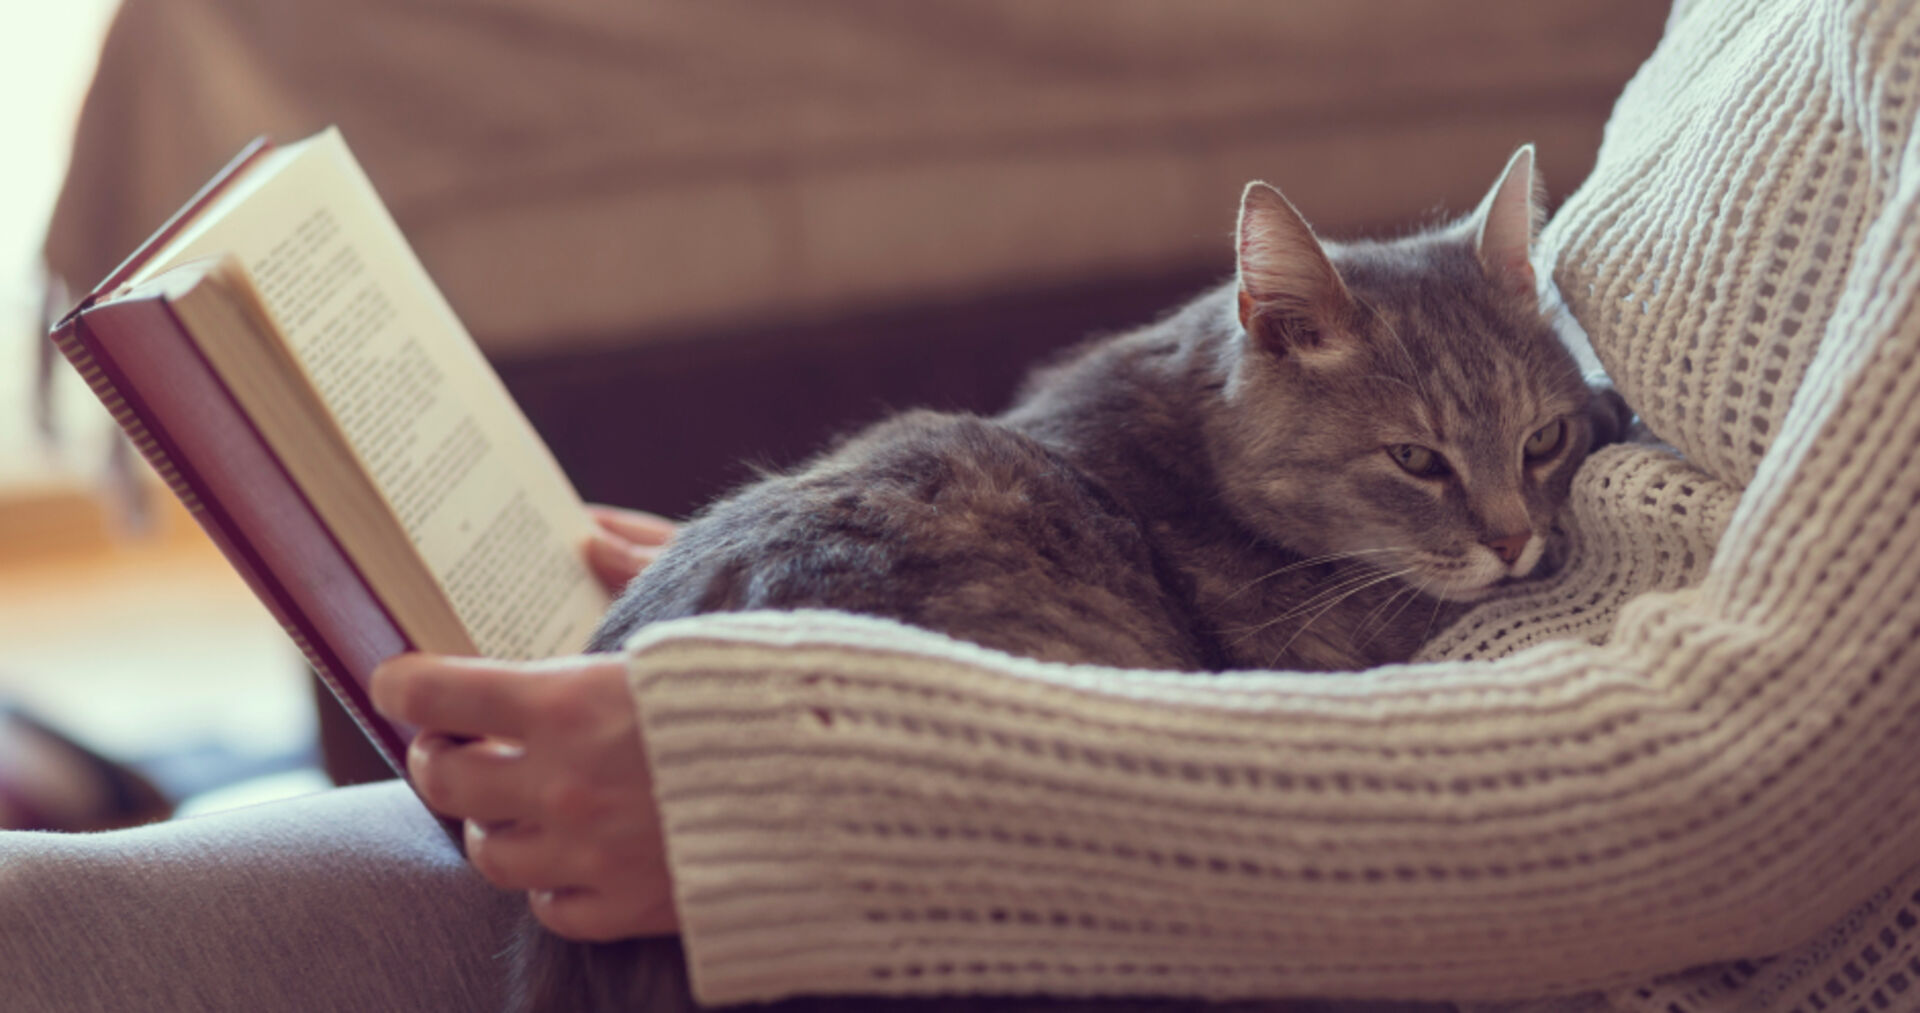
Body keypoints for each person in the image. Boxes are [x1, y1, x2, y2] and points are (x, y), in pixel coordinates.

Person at [5, 0, 1918, 1010]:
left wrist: (828, 771)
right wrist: (844, 591)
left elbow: (1748, 783)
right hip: (1208, 776)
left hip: (1500, 924)